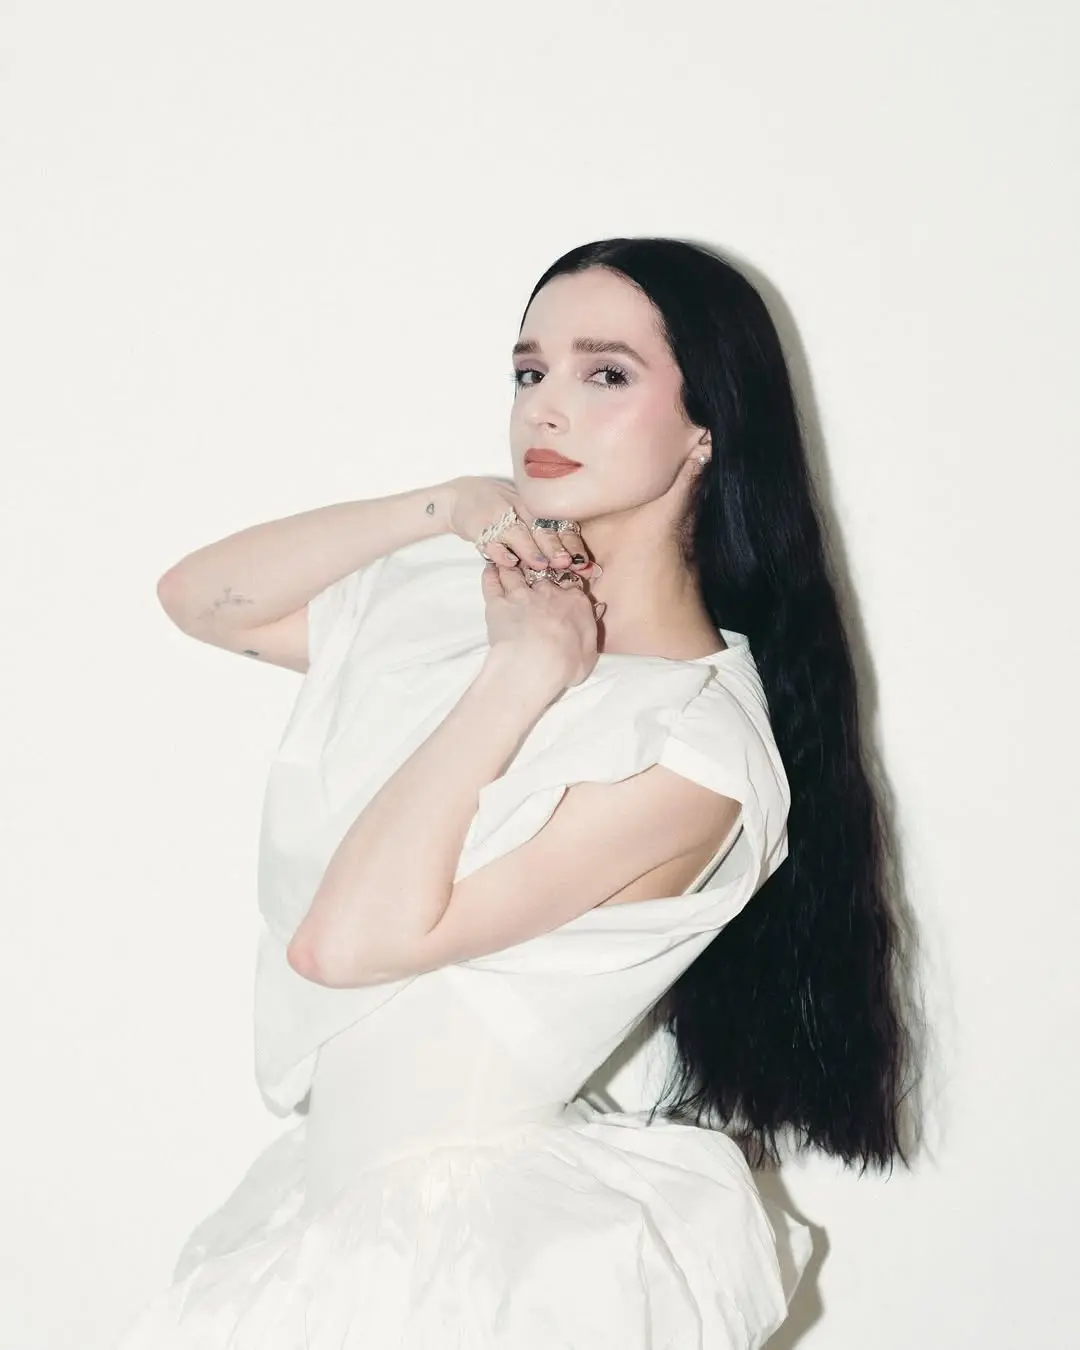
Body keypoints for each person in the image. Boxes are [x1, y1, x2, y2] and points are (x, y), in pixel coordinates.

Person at [117, 237, 914, 1348]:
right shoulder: (486, 608)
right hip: (336, 1220)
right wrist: (445, 508)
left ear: (708, 427)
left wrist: (521, 676)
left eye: (606, 373)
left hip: (469, 1269)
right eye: (529, 370)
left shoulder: (697, 750)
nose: (545, 407)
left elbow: (343, 946)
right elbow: (202, 600)